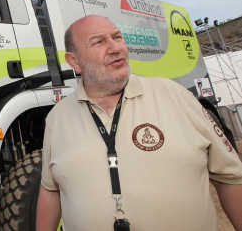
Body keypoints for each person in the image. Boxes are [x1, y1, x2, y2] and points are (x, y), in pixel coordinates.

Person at [36, 15, 242, 231]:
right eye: (99, 42)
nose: (116, 47)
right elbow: (50, 189)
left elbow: (231, 177)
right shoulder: (57, 118)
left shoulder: (175, 96)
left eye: (117, 37)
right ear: (74, 61)